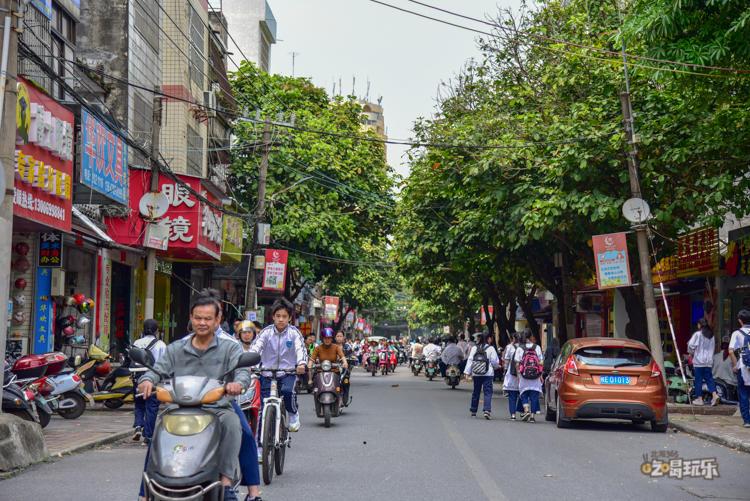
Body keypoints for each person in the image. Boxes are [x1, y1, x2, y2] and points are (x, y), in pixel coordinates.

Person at [137, 294, 252, 501]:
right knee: (158, 432)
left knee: (234, 424)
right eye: (198, 318)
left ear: (217, 320)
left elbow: (242, 370)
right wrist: (147, 380)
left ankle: (226, 484)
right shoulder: (175, 349)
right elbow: (157, 370)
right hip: (178, 408)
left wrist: (237, 384)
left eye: (208, 319)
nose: (202, 323)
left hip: (216, 409)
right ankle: (147, 490)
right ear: (191, 318)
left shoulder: (230, 348)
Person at [250, 298, 307, 439]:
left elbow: (301, 349)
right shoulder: (265, 333)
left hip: (287, 373)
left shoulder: (294, 333)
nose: (281, 319)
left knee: (288, 392)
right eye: (278, 316)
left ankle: (293, 414)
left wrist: (301, 364)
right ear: (273, 317)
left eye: (284, 316)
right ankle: (259, 447)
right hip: (267, 374)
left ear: (289, 318)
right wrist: (250, 363)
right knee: (262, 410)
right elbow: (256, 348)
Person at [131, 319, 166, 443]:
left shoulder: (137, 342)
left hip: (137, 377)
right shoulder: (161, 344)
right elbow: (164, 363)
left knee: (139, 403)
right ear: (157, 330)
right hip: (153, 379)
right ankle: (148, 435)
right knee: (151, 406)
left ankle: (138, 426)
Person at [464, 333, 500, 419]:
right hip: (488, 373)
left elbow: (470, 360)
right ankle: (487, 410)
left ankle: (473, 411)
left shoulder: (474, 348)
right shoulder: (491, 348)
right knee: (488, 392)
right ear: (488, 339)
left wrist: (467, 372)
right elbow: (495, 361)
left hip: (476, 373)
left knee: (476, 392)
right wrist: (495, 367)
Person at [688, 318, 720, 406]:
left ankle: (699, 399)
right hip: (708, 361)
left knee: (698, 380)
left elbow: (690, 345)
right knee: (709, 379)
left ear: (700, 325)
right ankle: (714, 395)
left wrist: (691, 352)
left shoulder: (698, 334)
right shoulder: (711, 336)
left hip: (699, 361)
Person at [515, 329, 544, 423]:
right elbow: (541, 362)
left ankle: (526, 410)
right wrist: (540, 374)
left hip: (524, 375)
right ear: (531, 336)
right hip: (536, 375)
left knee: (523, 393)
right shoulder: (537, 347)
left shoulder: (520, 348)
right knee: (534, 395)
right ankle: (532, 416)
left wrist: (518, 374)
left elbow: (517, 363)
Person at [728, 309, 750, 427]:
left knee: (743, 392)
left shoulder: (737, 333)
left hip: (744, 366)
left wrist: (735, 365)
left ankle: (747, 420)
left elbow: (731, 351)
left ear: (740, 321)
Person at [502, 332, 522, 420]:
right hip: (522, 373)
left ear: (513, 338)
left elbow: (506, 360)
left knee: (512, 395)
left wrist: (505, 370)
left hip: (511, 373)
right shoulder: (523, 347)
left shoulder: (509, 347)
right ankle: (522, 412)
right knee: (522, 393)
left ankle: (513, 414)